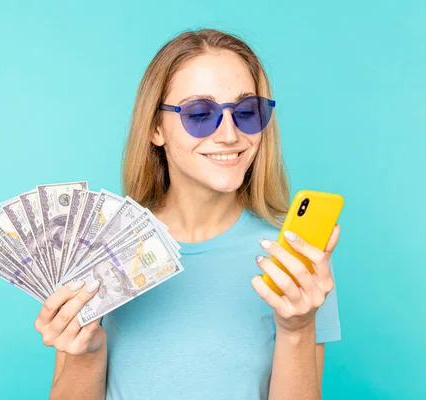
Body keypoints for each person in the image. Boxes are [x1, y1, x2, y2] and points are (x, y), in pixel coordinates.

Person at [33, 28, 341, 400]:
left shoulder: (293, 258)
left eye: (246, 112)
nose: (230, 135)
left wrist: (298, 328)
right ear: (155, 128)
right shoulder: (97, 248)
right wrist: (86, 352)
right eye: (199, 113)